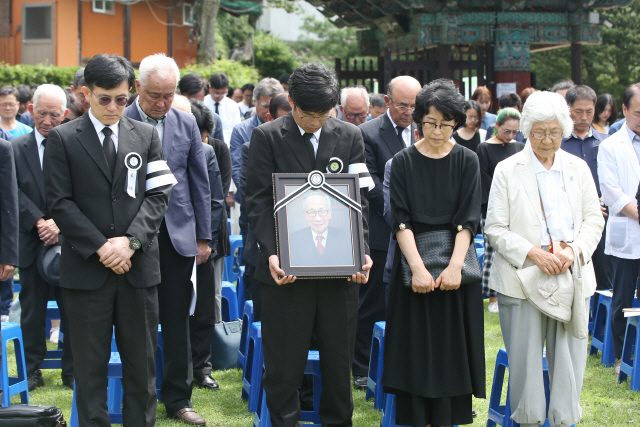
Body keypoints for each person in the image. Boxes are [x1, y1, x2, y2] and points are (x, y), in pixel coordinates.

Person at [44, 53, 174, 427]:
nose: (114, 106)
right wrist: (103, 247)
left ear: (130, 92)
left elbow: (158, 196)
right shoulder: (63, 139)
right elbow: (59, 203)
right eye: (104, 98)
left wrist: (129, 243)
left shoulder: (147, 134)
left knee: (141, 369)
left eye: (121, 98)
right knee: (89, 370)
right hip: (87, 271)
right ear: (85, 94)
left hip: (138, 269)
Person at [245, 62, 373, 427]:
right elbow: (257, 201)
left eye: (323, 114)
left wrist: (360, 250)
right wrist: (272, 252)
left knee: (338, 365)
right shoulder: (267, 137)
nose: (315, 121)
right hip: (285, 275)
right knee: (284, 368)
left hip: (338, 274)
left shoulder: (350, 136)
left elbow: (358, 201)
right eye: (306, 114)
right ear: (291, 102)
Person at [485, 90, 603, 427]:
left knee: (569, 363)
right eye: (539, 132)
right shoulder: (508, 170)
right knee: (524, 364)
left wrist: (574, 250)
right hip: (521, 278)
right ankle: (528, 421)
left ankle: (566, 420)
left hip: (571, 274)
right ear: (526, 129)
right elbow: (494, 227)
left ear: (564, 129)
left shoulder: (577, 168)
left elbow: (595, 220)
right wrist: (534, 253)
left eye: (553, 132)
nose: (547, 139)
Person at [382, 79, 484, 427]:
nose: (437, 131)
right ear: (419, 120)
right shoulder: (402, 162)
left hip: (456, 266)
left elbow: (469, 219)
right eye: (430, 122)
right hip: (414, 266)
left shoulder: (468, 160)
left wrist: (455, 267)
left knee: (452, 351)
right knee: (416, 353)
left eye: (445, 123)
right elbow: (400, 221)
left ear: (456, 122)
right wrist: (418, 268)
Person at [124, 53, 212, 425]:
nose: (161, 103)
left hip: (178, 236)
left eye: (168, 95)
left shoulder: (186, 121)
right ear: (138, 88)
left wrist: (204, 236)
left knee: (178, 321)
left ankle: (179, 398)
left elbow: (199, 183)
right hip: (130, 237)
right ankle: (139, 397)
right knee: (135, 322)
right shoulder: (119, 118)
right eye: (154, 95)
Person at [357, 75, 421, 389]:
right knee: (373, 304)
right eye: (403, 105)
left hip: (420, 234)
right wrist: (399, 218)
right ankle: (362, 367)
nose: (409, 111)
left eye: (414, 105)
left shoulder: (427, 130)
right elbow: (366, 183)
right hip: (382, 231)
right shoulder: (366, 133)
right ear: (387, 102)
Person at [12, 84, 75, 391]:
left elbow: (83, 193)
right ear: (30, 111)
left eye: (54, 114)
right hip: (30, 238)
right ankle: (32, 369)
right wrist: (39, 220)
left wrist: (58, 223)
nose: (47, 120)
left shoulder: (75, 145)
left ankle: (73, 371)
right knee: (32, 309)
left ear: (64, 114)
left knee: (73, 309)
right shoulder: (15, 147)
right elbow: (12, 192)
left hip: (70, 242)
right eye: (41, 113)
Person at [173, 94, 225, 392]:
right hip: (158, 243)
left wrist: (204, 241)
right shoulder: (147, 142)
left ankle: (201, 368)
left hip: (198, 243)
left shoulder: (206, 152)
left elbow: (215, 200)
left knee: (202, 308)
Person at [236, 92, 291, 321]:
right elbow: (249, 196)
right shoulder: (252, 147)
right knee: (264, 319)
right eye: (284, 121)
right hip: (263, 248)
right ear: (269, 118)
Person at [598, 83, 640, 376]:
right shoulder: (610, 146)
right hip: (628, 232)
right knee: (623, 298)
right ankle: (621, 360)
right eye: (638, 113)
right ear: (624, 110)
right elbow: (612, 191)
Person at [562, 85, 612, 295]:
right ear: (568, 109)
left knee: (605, 276)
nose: (584, 117)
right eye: (578, 111)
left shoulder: (606, 143)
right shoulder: (558, 144)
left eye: (589, 111)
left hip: (603, 217)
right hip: (568, 219)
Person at [477, 107, 525, 313]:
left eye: (515, 132)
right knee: (492, 252)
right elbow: (485, 180)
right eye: (507, 131)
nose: (512, 136)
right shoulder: (484, 148)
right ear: (496, 126)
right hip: (492, 207)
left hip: (517, 207)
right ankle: (493, 296)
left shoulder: (519, 147)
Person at [191, 98, 231, 324]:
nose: (202, 142)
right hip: (182, 231)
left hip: (211, 229)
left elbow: (219, 193)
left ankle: (213, 342)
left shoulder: (218, 149)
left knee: (211, 292)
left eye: (205, 137)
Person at [288, 192, 354, 267]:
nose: (317, 219)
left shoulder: (345, 239)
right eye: (311, 212)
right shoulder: (293, 240)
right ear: (305, 214)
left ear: (330, 212)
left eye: (322, 212)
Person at [178, 73, 224, 143]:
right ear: (180, 94)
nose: (194, 107)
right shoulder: (171, 118)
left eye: (198, 101)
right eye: (190, 102)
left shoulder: (215, 119)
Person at [205, 73, 241, 144]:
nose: (220, 96)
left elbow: (237, 129)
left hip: (227, 147)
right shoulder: (203, 103)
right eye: (216, 93)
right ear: (210, 89)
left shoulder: (232, 105)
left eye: (223, 93)